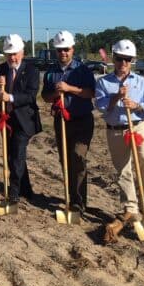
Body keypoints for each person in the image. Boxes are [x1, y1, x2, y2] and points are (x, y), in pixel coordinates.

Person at [95, 39, 144, 243]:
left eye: (127, 59)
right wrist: (115, 97)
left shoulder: (142, 83)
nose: (123, 62)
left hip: (138, 127)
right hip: (115, 131)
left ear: (133, 61)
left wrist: (137, 105)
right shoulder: (103, 83)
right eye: (119, 58)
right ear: (113, 58)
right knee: (123, 170)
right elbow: (102, 107)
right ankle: (130, 208)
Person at [41, 30, 96, 214]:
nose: (63, 53)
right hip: (61, 121)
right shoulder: (51, 73)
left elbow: (90, 93)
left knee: (78, 157)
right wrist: (56, 93)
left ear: (73, 49)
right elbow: (45, 97)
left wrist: (69, 88)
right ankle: (71, 198)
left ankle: (80, 201)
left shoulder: (83, 70)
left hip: (82, 120)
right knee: (66, 160)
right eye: (60, 50)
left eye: (66, 49)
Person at [0, 34, 42, 204]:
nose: (12, 57)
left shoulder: (32, 70)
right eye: (9, 54)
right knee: (13, 154)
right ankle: (26, 190)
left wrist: (10, 97)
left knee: (17, 155)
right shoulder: (1, 69)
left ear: (22, 52)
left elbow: (31, 96)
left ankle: (14, 192)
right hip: (7, 119)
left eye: (15, 53)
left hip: (25, 119)